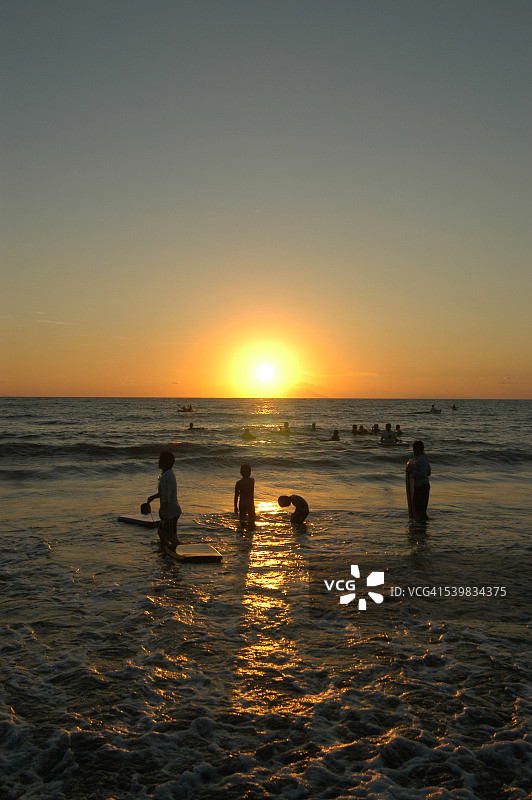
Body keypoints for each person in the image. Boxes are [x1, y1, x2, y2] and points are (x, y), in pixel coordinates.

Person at [146, 450, 181, 551]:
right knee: (161, 531)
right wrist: (153, 497)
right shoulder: (168, 474)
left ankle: (179, 551)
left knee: (171, 536)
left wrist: (162, 511)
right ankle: (166, 548)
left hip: (170, 512)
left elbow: (166, 498)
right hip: (172, 511)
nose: (158, 462)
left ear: (164, 462)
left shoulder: (166, 477)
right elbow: (165, 493)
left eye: (160, 460)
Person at [406, 440, 431, 522]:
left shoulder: (421, 460)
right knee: (421, 509)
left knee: (419, 510)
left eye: (413, 449)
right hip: (424, 486)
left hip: (421, 487)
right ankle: (422, 528)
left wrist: (412, 471)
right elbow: (429, 472)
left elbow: (423, 474)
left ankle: (420, 529)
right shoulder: (424, 459)